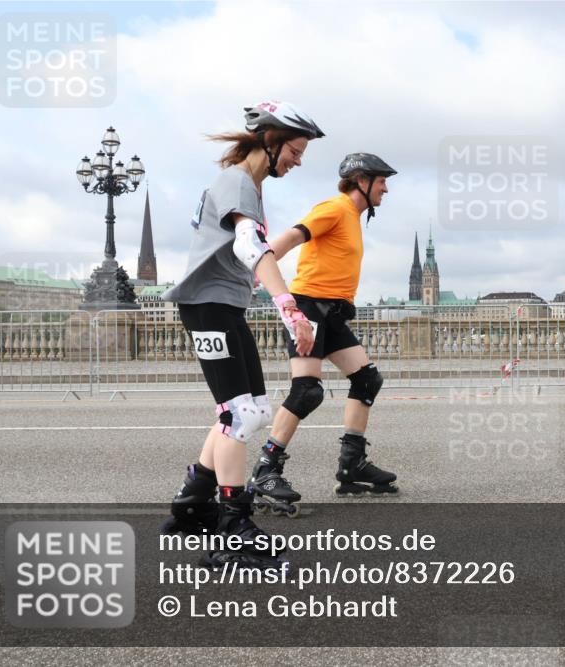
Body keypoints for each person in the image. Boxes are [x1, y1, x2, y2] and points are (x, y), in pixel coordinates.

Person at [160, 101, 321, 568]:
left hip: (223, 305)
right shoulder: (237, 181)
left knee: (254, 410)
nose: (297, 160)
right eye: (294, 150)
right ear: (270, 142)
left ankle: (193, 505)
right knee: (239, 412)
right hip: (207, 305)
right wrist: (291, 310)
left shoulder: (245, 184)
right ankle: (233, 526)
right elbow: (251, 244)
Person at [254, 152, 398, 502]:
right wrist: (258, 275)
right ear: (361, 181)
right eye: (381, 182)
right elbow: (284, 241)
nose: (385, 190)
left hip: (331, 313)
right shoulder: (334, 209)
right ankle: (266, 471)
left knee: (367, 379)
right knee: (307, 391)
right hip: (307, 309)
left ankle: (352, 466)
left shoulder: (352, 217)